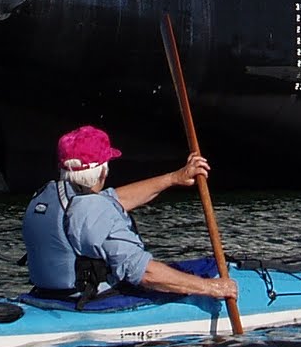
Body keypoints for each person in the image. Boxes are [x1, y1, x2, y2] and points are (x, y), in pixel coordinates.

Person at [22, 125, 238, 304]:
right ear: (104, 170)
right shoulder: (93, 210)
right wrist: (211, 287)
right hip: (90, 300)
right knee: (199, 273)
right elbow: (144, 274)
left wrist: (174, 178)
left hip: (48, 294)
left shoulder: (49, 195)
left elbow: (117, 199)